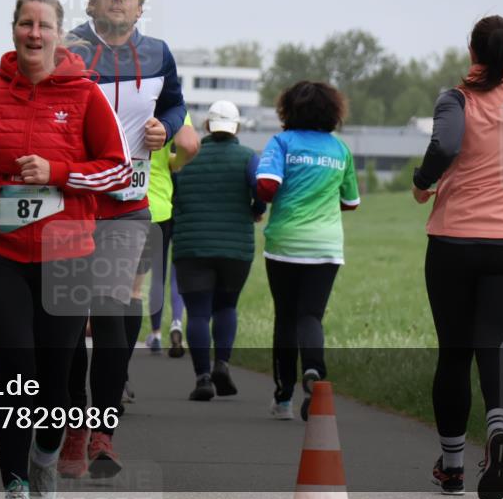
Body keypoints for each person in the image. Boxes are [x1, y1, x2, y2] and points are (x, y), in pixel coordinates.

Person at [0, 0, 131, 499]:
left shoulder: (86, 96)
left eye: (43, 25)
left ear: (57, 34)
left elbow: (118, 170)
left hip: (67, 256)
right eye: (25, 24)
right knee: (14, 373)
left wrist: (59, 173)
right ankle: (15, 488)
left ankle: (44, 457)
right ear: (14, 31)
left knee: (53, 387)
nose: (33, 33)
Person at [412, 16, 503, 499]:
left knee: (454, 352)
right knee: (495, 346)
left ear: (473, 50)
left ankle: (452, 467)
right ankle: (497, 433)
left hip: (455, 241)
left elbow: (446, 143)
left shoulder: (456, 97)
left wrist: (422, 180)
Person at [60, 0, 188, 477]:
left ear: (140, 5)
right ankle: (70, 424)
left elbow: (176, 105)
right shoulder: (68, 48)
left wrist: (165, 127)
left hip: (129, 204)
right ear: (90, 3)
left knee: (113, 315)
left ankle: (102, 433)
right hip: (74, 202)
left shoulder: (159, 52)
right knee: (68, 317)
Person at [255, 81, 359, 422]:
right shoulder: (340, 149)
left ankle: (283, 397)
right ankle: (314, 370)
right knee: (310, 315)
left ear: (288, 110)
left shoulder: (281, 142)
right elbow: (351, 202)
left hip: (284, 243)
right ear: (333, 112)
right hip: (326, 246)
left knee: (285, 316)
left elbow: (268, 187)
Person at [172, 102, 265, 400]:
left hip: (191, 246)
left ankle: (202, 379)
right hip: (235, 248)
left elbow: (174, 195)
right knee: (226, 307)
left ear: (207, 126)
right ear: (236, 127)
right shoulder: (248, 158)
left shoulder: (185, 159)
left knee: (198, 313)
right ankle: (221, 364)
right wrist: (255, 210)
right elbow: (261, 190)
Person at [137, 113, 197, 357]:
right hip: (161, 207)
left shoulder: (114, 90)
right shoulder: (171, 103)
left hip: (121, 203)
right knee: (165, 274)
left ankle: (153, 335)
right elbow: (188, 144)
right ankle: (173, 324)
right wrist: (177, 162)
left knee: (125, 288)